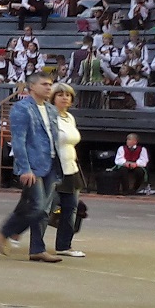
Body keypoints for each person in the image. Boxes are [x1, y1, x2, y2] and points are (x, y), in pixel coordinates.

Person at [0, 68, 61, 262]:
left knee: (41, 209)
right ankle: (6, 232)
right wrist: (25, 167)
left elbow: (53, 138)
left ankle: (37, 249)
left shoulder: (51, 109)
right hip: (32, 165)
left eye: (50, 84)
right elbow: (18, 140)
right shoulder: (21, 108)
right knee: (38, 207)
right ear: (32, 86)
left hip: (51, 163)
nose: (49, 87)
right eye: (45, 84)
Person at [48, 82, 84, 257]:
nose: (65, 98)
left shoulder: (69, 118)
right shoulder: (49, 116)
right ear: (53, 98)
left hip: (71, 167)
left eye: (68, 95)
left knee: (71, 208)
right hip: (54, 168)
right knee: (45, 207)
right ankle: (15, 231)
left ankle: (64, 246)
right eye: (60, 94)